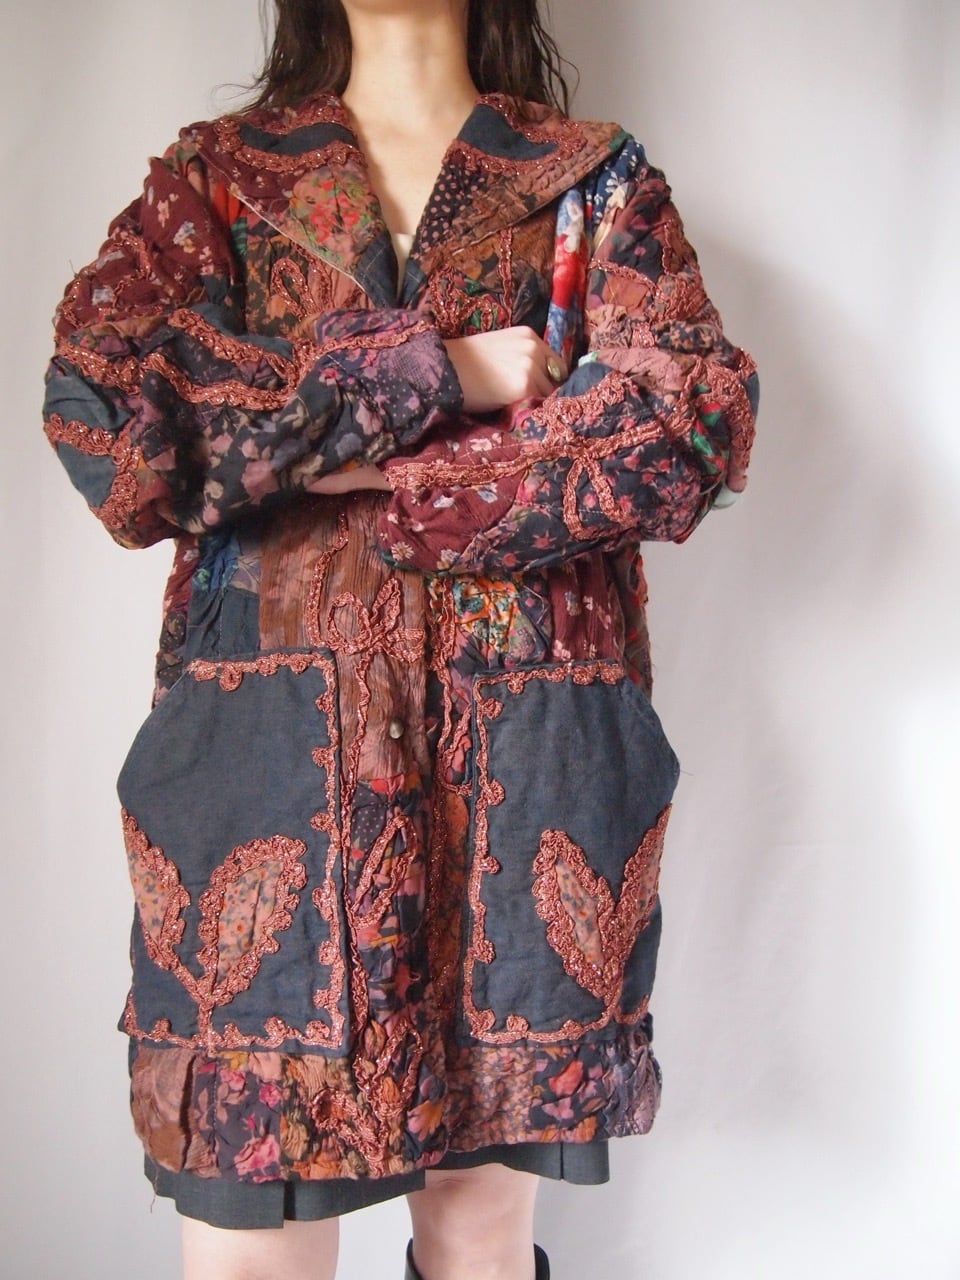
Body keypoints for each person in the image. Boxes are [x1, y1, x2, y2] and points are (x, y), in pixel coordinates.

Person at [42, 1, 759, 1276]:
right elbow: (113, 421)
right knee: (250, 1248)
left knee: (481, 1241)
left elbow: (683, 424)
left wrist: (378, 478)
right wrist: (441, 373)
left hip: (526, 778)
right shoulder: (219, 181)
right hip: (266, 785)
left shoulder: (591, 185)